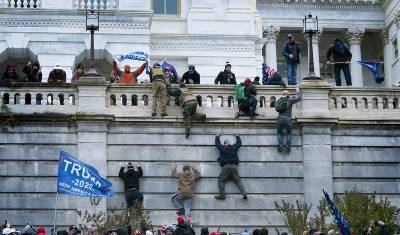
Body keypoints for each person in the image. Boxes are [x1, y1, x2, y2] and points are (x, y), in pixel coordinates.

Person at [214, 133, 247, 200]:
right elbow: (239, 143)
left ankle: (222, 195)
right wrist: (237, 136)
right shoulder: (234, 147)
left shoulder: (222, 148)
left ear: (225, 144)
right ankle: (244, 194)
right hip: (234, 167)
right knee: (238, 180)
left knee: (220, 180)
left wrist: (217, 136)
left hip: (226, 167)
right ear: (229, 143)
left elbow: (217, 144)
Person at [275, 87, 302, 153]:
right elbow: (299, 98)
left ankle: (281, 146)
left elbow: (276, 108)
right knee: (289, 133)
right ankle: (287, 147)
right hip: (288, 119)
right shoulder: (290, 100)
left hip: (280, 118)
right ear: (288, 94)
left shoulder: (279, 100)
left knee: (279, 133)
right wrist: (298, 91)